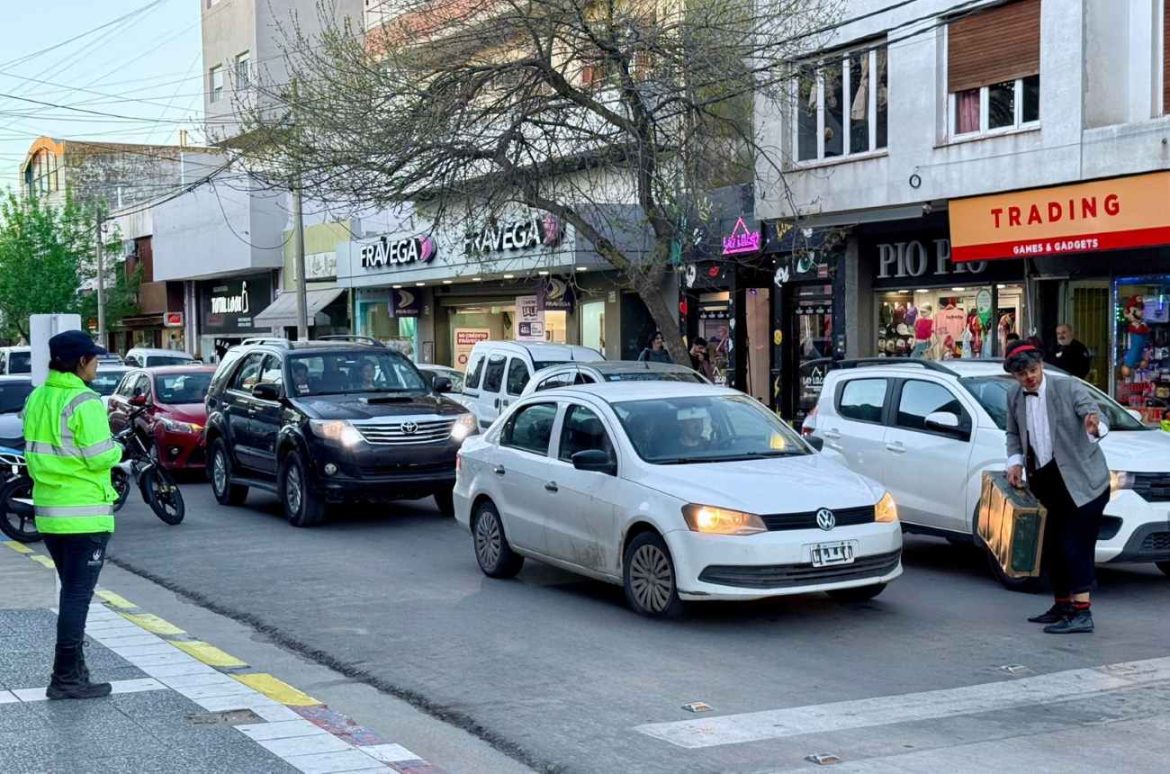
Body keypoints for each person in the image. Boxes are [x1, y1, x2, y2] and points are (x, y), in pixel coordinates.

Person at [23, 331, 123, 699]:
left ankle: (75, 671)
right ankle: (65, 677)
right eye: (94, 358)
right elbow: (99, 455)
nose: (97, 364)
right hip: (84, 515)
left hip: (49, 514)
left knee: (72, 591)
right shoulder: (85, 401)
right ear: (81, 362)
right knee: (77, 596)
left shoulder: (38, 397)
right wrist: (118, 448)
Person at [1003, 340, 1110, 634]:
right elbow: (1013, 432)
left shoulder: (1068, 387)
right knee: (1051, 546)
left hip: (1084, 482)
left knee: (1075, 545)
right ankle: (1062, 605)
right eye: (1023, 374)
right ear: (1015, 376)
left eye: (1034, 370)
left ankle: (1082, 613)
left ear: (1041, 366)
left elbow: (1094, 412)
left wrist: (1093, 425)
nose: (1030, 378)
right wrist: (1015, 462)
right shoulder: (1014, 396)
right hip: (1046, 480)